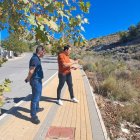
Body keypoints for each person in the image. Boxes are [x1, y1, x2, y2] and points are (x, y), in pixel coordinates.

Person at [25, 45, 45, 124]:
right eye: (44, 52)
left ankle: (36, 108)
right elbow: (31, 71)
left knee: (38, 95)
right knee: (35, 98)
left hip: (38, 80)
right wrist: (28, 78)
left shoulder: (36, 58)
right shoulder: (34, 59)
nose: (45, 53)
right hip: (35, 81)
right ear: (40, 52)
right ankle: (33, 116)